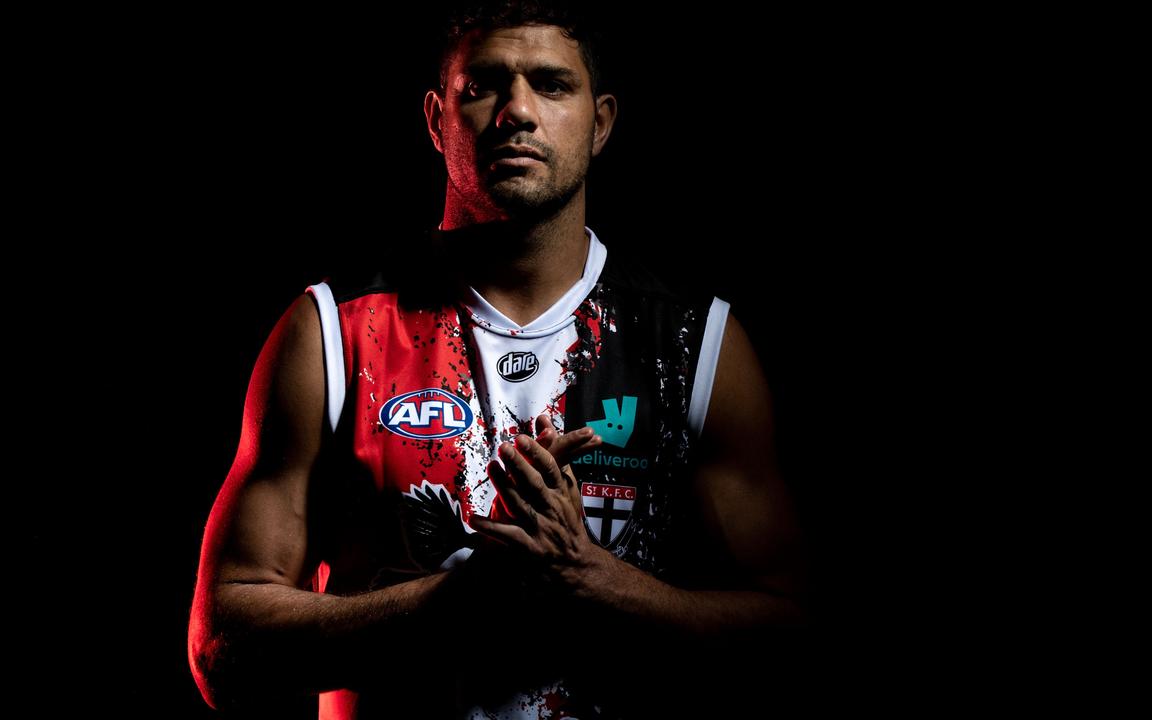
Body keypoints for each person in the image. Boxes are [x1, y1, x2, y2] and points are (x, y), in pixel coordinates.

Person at [189, 2, 812, 716]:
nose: (516, 110)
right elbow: (220, 652)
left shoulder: (694, 344)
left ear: (601, 122)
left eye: (551, 84)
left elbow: (792, 641)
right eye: (483, 85)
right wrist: (450, 604)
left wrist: (593, 582)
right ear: (435, 119)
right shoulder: (334, 332)